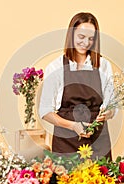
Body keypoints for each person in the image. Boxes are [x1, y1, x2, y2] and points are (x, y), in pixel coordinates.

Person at [39, 12, 115, 159]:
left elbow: (112, 106)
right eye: (81, 37)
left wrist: (108, 113)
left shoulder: (103, 65)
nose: (86, 43)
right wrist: (73, 126)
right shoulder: (55, 67)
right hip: (66, 143)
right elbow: (45, 111)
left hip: (98, 141)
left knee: (102, 181)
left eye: (91, 39)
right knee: (66, 182)